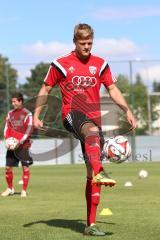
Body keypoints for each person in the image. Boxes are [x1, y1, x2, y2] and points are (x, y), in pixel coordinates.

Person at [34, 23, 136, 236]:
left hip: (93, 122)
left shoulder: (100, 64)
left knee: (90, 173)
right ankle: (100, 171)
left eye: (90, 43)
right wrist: (36, 114)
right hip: (72, 115)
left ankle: (90, 224)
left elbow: (113, 89)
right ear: (75, 42)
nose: (87, 47)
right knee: (90, 136)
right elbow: (45, 88)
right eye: (83, 43)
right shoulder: (61, 64)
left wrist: (127, 110)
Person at [1, 92, 33, 198]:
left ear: (20, 101)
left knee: (25, 168)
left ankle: (24, 190)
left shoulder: (28, 114)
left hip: (23, 147)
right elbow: (6, 128)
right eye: (12, 101)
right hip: (11, 146)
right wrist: (7, 140)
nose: (13, 103)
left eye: (15, 101)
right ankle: (10, 189)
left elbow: (28, 130)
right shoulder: (10, 114)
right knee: (8, 168)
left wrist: (19, 142)